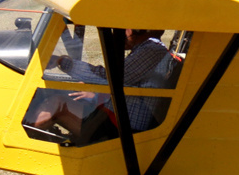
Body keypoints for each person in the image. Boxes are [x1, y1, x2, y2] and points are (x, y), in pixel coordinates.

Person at [31, 28, 180, 140]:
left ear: (138, 28)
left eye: (124, 26)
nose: (120, 31)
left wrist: (62, 62)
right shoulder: (147, 49)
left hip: (122, 128)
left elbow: (110, 78)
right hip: (114, 117)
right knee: (60, 94)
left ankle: (27, 139)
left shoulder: (151, 49)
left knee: (58, 103)